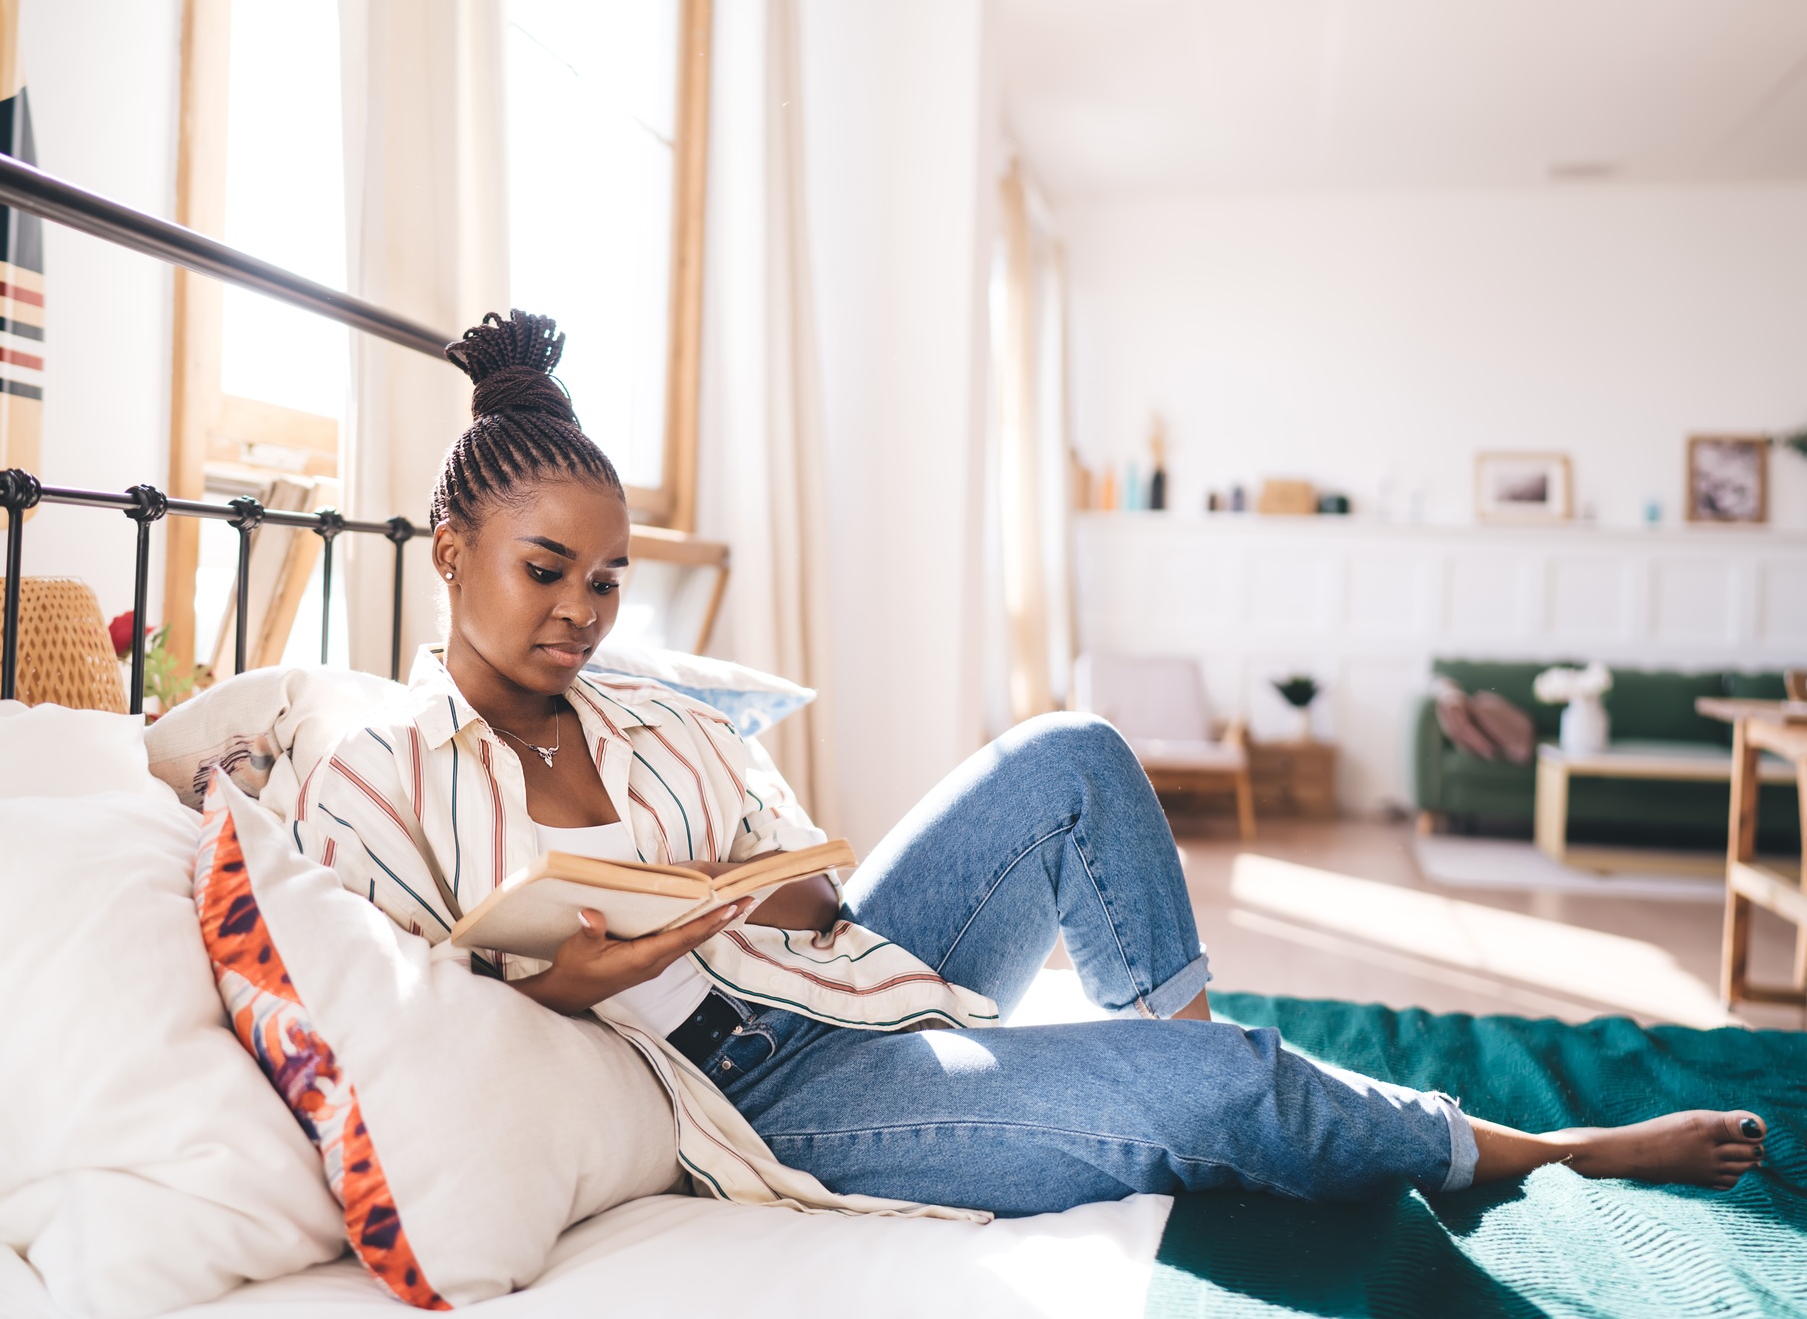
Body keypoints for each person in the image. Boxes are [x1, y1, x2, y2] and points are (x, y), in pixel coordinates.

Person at [295, 310, 1766, 1218]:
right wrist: (583, 978)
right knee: (1230, 1089)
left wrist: (764, 890)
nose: (580, 612)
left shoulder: (655, 715)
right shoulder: (375, 775)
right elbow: (417, 1019)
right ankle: (1533, 1145)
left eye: (608, 581)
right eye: (547, 570)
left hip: (830, 981)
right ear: (449, 553)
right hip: (758, 1094)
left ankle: (1183, 1034)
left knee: (1071, 749)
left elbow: (810, 891)